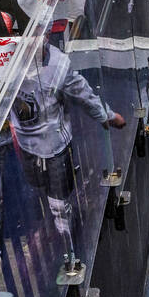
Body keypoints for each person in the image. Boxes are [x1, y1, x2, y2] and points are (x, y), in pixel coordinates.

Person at [11, 42, 127, 249]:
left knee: (59, 202)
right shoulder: (3, 59)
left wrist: (107, 116)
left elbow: (84, 96)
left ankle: (69, 245)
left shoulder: (58, 65)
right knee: (38, 189)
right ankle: (51, 229)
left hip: (55, 148)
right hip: (25, 144)